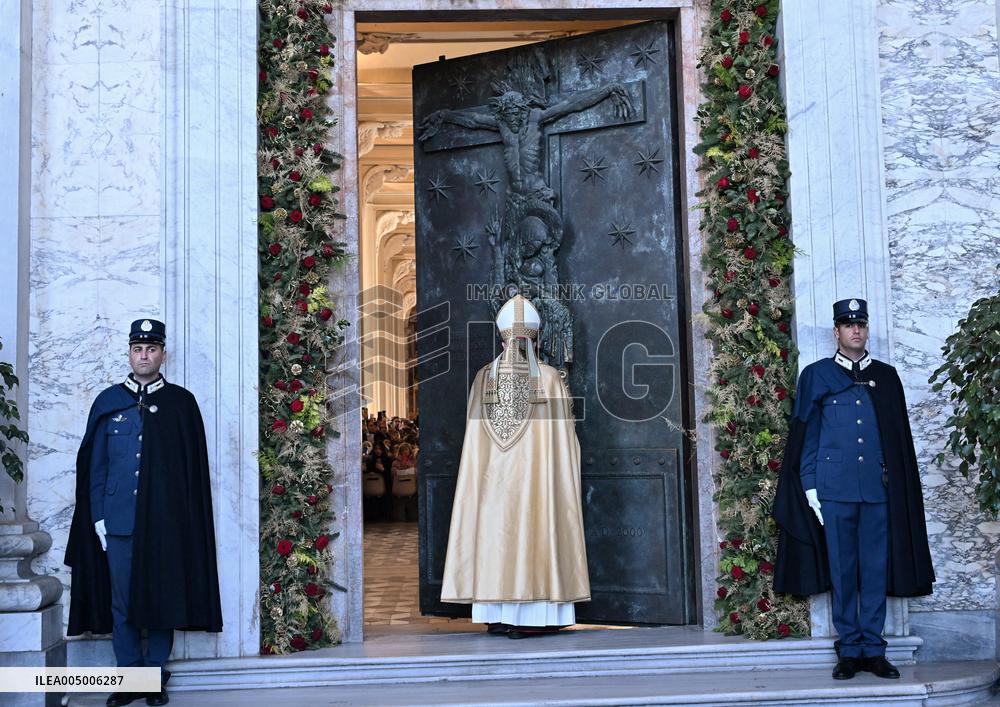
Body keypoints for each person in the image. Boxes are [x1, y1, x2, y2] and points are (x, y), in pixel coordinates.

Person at [64, 319, 223, 706]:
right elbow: (95, 466)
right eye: (138, 349)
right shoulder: (108, 401)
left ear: (162, 354)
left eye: (151, 349)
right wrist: (99, 518)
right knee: (121, 602)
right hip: (118, 522)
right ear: (129, 353)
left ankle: (152, 677)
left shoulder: (181, 404)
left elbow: (191, 474)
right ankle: (129, 675)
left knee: (163, 598)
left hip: (165, 522)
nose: (144, 356)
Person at [773, 299, 934, 680]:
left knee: (875, 570)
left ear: (866, 329)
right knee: (843, 571)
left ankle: (873, 650)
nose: (855, 330)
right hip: (834, 492)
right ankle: (848, 649)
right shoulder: (817, 375)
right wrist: (810, 488)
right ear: (837, 332)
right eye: (848, 325)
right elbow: (807, 436)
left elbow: (897, 442)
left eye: (860, 324)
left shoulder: (887, 376)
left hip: (877, 492)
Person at [441, 295, 589, 638]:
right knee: (537, 532)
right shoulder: (550, 378)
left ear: (502, 337)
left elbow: (474, 441)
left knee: (497, 538)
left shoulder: (483, 379)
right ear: (533, 338)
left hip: (492, 483)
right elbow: (565, 440)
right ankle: (535, 618)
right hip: (538, 484)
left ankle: (499, 614)